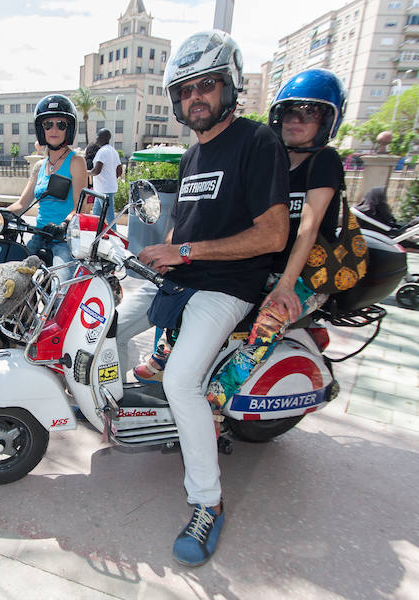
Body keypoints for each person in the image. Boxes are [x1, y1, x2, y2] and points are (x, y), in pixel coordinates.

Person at [116, 30, 289, 566]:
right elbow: (179, 233)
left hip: (227, 287)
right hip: (182, 277)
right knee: (106, 322)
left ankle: (206, 502)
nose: (196, 98)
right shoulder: (192, 157)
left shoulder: (258, 143)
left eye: (207, 85)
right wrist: (144, 253)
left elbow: (273, 234)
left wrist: (184, 252)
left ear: (230, 86)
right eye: (186, 89)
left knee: (180, 379)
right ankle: (122, 415)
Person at [202, 68, 347, 417]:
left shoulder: (324, 161)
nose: (296, 122)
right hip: (266, 268)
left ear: (326, 121)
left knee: (269, 320)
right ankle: (168, 359)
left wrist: (284, 286)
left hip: (306, 276)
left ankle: (215, 402)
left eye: (310, 114)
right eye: (291, 113)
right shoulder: (274, 158)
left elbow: (308, 229)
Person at [5, 94, 88, 265]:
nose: (54, 130)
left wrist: (63, 224)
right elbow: (22, 204)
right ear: (41, 129)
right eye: (48, 125)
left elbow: (81, 207)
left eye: (61, 125)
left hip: (65, 240)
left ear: (69, 129)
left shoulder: (76, 162)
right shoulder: (39, 166)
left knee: (61, 282)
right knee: (11, 274)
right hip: (39, 236)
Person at [88, 128, 122, 224]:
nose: (96, 139)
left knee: (109, 216)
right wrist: (110, 178)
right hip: (103, 189)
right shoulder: (113, 151)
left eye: (98, 137)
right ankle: (94, 234)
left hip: (104, 190)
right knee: (96, 215)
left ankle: (114, 235)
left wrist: (85, 173)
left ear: (103, 138)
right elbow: (119, 171)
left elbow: (96, 171)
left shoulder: (102, 151)